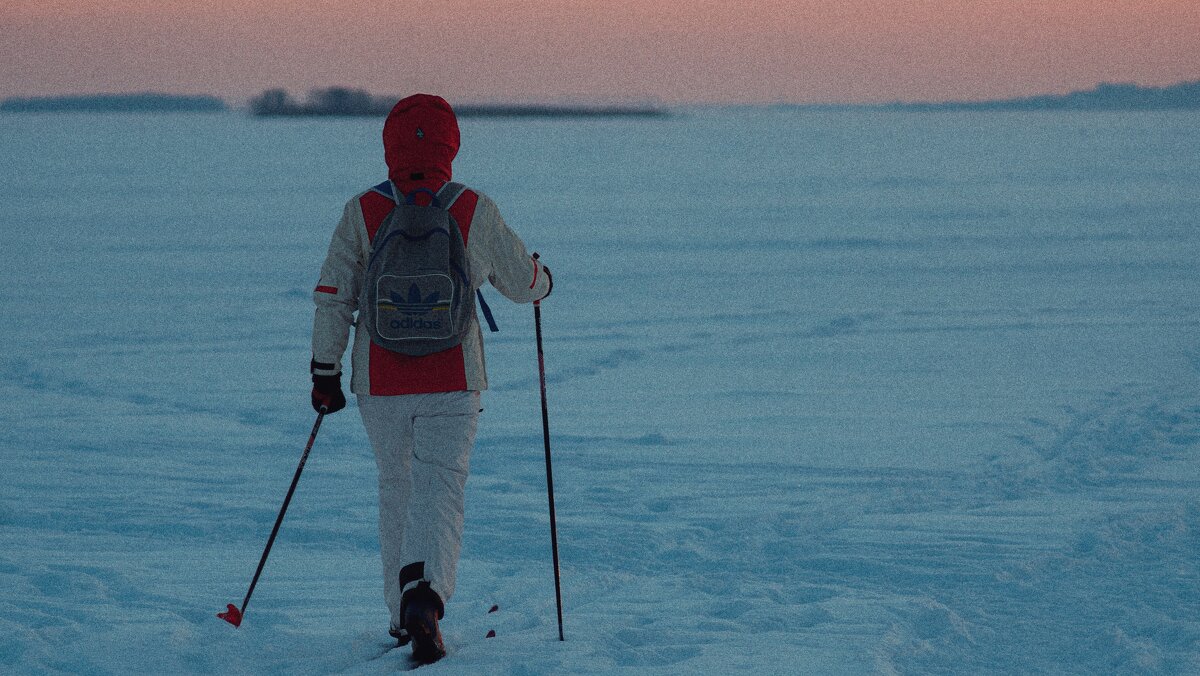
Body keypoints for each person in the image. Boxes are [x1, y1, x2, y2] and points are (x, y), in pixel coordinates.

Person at [308, 94, 552, 664]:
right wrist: (544, 280)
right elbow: (521, 282)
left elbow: (332, 296)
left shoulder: (363, 211)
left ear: (389, 144)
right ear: (452, 145)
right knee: (440, 487)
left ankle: (402, 614)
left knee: (397, 486)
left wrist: (325, 370)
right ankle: (425, 597)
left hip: (379, 380)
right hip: (452, 377)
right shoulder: (471, 208)